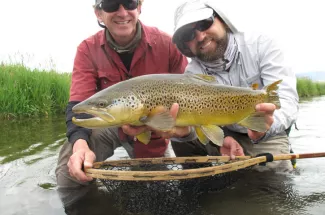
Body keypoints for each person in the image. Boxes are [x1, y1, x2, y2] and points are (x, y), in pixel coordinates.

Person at [55, 0, 190, 212]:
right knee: (69, 171)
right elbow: (78, 106)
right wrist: (80, 145)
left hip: (155, 131)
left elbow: (190, 90)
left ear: (140, 7)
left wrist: (181, 128)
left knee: (158, 191)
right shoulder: (87, 49)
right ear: (99, 13)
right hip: (109, 125)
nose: (122, 12)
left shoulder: (167, 44)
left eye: (129, 3)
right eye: (111, 4)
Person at [171, 0, 299, 172]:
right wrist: (221, 141)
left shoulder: (261, 45)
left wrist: (264, 127)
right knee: (183, 138)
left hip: (267, 132)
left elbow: (287, 100)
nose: (200, 36)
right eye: (188, 35)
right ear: (184, 44)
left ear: (222, 20)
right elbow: (200, 123)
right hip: (225, 132)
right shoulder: (192, 74)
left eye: (204, 24)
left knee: (273, 182)